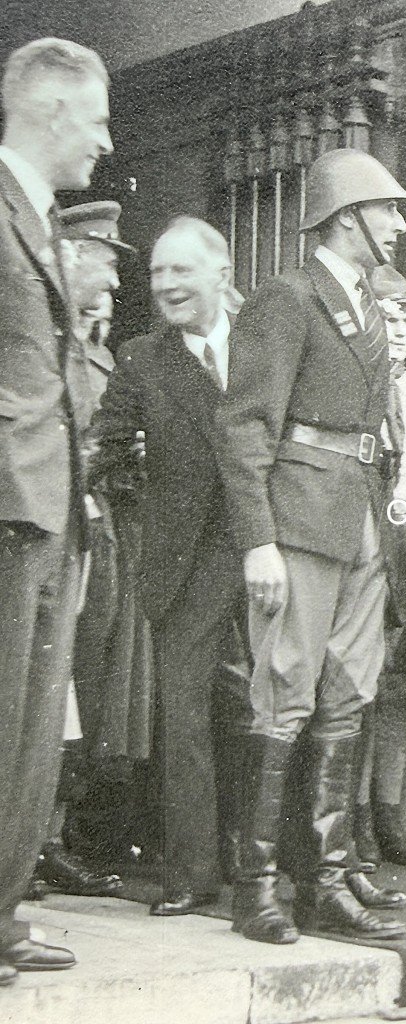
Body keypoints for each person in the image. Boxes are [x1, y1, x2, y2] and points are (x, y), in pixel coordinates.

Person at [215, 148, 406, 945]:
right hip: (300, 515)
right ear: (345, 217)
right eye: (387, 211)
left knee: (347, 693)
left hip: (360, 516)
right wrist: (258, 541)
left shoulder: (362, 301)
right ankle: (256, 888)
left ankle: (326, 881)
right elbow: (243, 426)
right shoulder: (287, 298)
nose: (398, 226)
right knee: (285, 692)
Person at [90, 217, 252, 916]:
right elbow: (104, 446)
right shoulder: (140, 359)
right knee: (184, 718)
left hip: (268, 548)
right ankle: (191, 872)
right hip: (183, 562)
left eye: (180, 271)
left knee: (278, 707)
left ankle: (277, 862)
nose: (165, 287)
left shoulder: (267, 341)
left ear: (220, 272)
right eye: (157, 275)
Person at [0, 37, 113, 982]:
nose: (108, 143)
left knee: (31, 731)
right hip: (8, 505)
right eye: (98, 119)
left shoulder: (35, 218)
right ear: (50, 112)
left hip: (46, 507)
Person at [33, 201, 142, 900]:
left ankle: (46, 839)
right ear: (70, 255)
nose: (115, 281)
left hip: (91, 532)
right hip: (45, 530)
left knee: (75, 690)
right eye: (106, 260)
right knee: (41, 689)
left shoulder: (84, 353)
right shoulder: (37, 343)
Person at [353, 263, 406, 870]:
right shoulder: (353, 379)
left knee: (399, 685)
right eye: (390, 315)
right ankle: (348, 815)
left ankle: (386, 812)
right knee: (353, 679)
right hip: (360, 536)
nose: (401, 328)